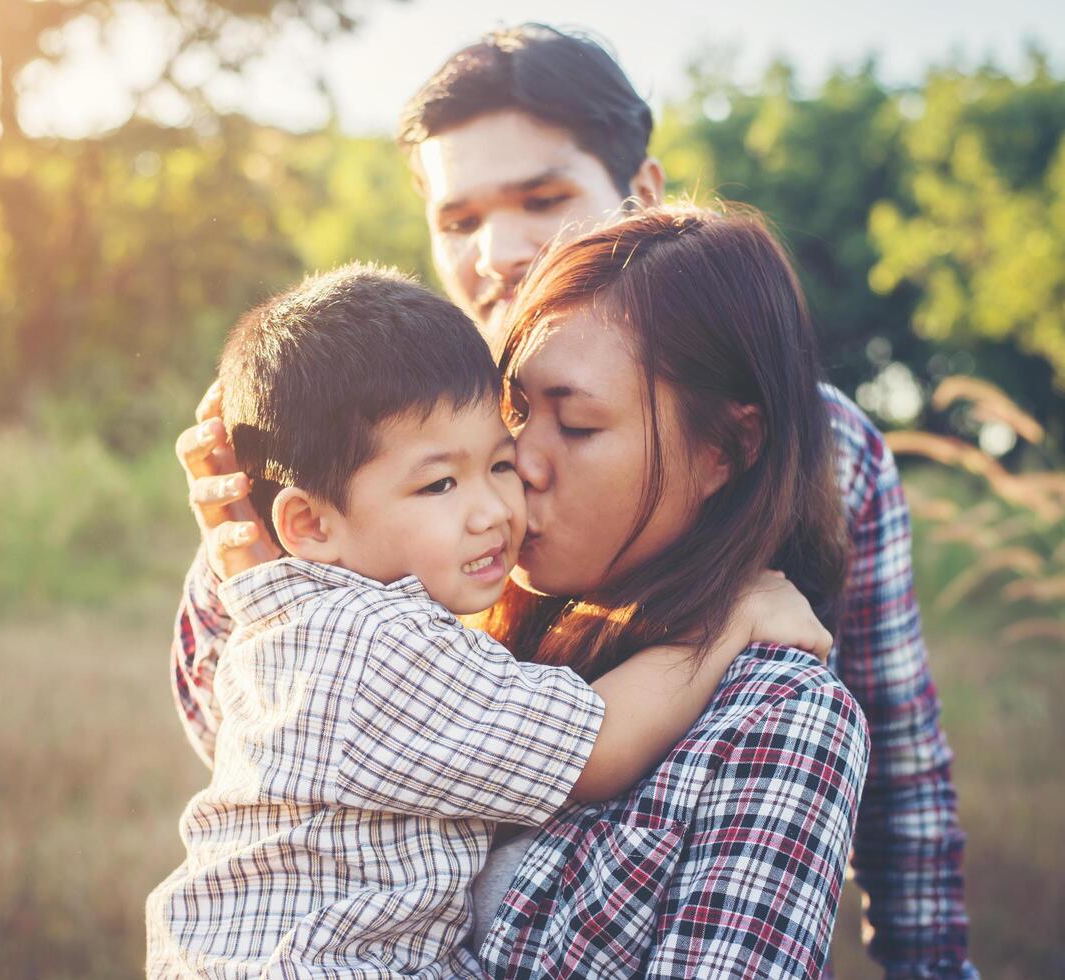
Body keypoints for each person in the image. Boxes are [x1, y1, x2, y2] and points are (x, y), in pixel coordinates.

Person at [180, 24, 974, 979]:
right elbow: (277, 739)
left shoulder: (820, 445)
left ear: (642, 194)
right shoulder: (388, 400)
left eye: (544, 199)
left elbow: (886, 740)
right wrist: (256, 570)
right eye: (457, 218)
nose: (500, 251)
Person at [146, 263, 834, 978]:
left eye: (498, 464)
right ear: (308, 523)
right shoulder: (373, 645)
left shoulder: (301, 624)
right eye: (439, 483)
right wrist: (730, 620)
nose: (495, 509)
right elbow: (593, 751)